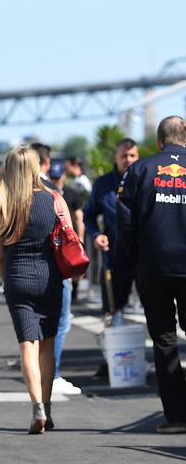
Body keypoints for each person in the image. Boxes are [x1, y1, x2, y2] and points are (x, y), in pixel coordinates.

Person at [116, 115, 186, 434]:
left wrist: (136, 256)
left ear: (158, 142)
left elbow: (125, 218)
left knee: (164, 337)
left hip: (154, 264)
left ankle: (176, 415)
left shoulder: (140, 169)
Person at [0, 144, 68, 434]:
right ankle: (47, 408)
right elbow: (69, 237)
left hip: (17, 277)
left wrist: (6, 277)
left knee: (27, 345)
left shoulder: (3, 201)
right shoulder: (55, 199)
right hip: (50, 276)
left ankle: (36, 406)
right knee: (47, 344)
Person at [83, 138, 139, 379]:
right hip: (114, 257)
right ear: (116, 157)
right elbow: (89, 215)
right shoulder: (103, 184)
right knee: (112, 311)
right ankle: (110, 359)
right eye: (124, 155)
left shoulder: (146, 177)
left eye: (132, 156)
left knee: (158, 311)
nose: (128, 160)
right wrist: (95, 235)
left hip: (145, 256)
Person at [31, 143, 82, 397]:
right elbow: (69, 231)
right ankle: (54, 375)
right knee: (57, 326)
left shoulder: (13, 191)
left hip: (23, 269)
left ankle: (37, 386)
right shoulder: (53, 193)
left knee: (29, 334)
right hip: (55, 268)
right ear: (47, 162)